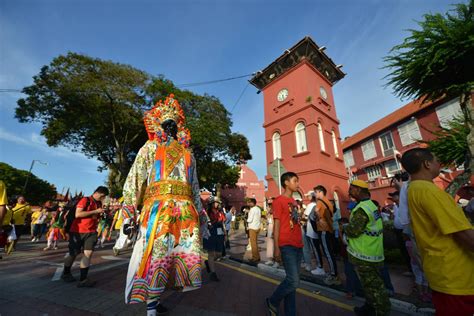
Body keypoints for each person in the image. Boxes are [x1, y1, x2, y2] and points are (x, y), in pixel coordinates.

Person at [120, 94, 209, 316]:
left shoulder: (188, 154)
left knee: (176, 256)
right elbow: (135, 180)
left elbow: (195, 186)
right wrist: (128, 213)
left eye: (174, 124)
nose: (170, 128)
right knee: (155, 256)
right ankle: (151, 307)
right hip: (157, 211)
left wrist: (200, 214)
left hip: (185, 213)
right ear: (159, 125)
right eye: (166, 124)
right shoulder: (149, 148)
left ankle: (155, 301)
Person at [400, 148, 474, 315]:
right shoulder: (428, 191)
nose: (439, 164)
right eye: (436, 160)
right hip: (456, 275)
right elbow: (463, 234)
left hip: (442, 272)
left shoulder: (414, 189)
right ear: (427, 164)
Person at [344, 180, 390, 316]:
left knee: (374, 287)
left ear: (359, 190)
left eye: (351, 188)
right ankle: (369, 307)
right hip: (373, 252)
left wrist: (344, 227)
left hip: (364, 255)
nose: (349, 191)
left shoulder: (362, 209)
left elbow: (354, 230)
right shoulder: (371, 206)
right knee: (368, 286)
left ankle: (382, 311)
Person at [266, 172, 303, 316]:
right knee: (293, 281)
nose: (297, 184)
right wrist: (276, 249)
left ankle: (290, 312)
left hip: (298, 244)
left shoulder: (294, 202)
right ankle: (273, 301)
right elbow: (276, 225)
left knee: (291, 282)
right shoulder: (278, 201)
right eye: (295, 181)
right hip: (286, 244)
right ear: (286, 183)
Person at [61, 186, 109, 288]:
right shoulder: (85, 200)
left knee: (88, 254)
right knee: (73, 254)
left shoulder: (99, 203)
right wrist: (95, 212)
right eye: (103, 196)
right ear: (99, 193)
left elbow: (95, 217)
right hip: (77, 231)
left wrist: (101, 214)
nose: (103, 199)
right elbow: (78, 214)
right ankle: (66, 273)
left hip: (91, 232)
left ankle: (83, 280)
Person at [313, 185, 340, 286]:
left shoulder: (320, 202)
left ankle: (333, 274)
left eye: (315, 192)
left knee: (327, 252)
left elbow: (316, 212)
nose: (315, 194)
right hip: (328, 228)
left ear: (320, 192)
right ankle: (333, 272)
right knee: (329, 251)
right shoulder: (329, 202)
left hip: (323, 229)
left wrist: (318, 218)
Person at [203, 196, 226, 280]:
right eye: (215, 202)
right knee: (211, 253)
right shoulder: (207, 212)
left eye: (218, 203)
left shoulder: (221, 212)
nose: (217, 204)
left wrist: (225, 234)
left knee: (219, 254)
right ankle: (213, 273)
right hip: (211, 233)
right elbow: (203, 223)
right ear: (211, 203)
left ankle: (209, 262)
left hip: (220, 233)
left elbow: (223, 223)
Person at [303, 192, 324, 276]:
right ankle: (318, 266)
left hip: (312, 230)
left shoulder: (310, 205)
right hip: (317, 229)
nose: (307, 197)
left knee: (315, 249)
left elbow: (304, 216)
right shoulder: (317, 204)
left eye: (308, 196)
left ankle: (319, 267)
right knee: (316, 249)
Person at [247, 198, 262, 263]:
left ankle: (255, 258)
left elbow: (249, 220)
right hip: (257, 227)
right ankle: (257, 257)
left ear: (253, 203)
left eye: (250, 202)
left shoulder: (252, 210)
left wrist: (246, 219)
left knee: (253, 244)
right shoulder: (258, 209)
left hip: (252, 228)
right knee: (255, 243)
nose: (248, 203)